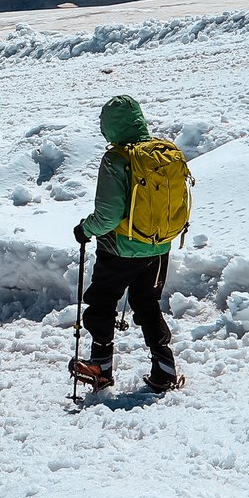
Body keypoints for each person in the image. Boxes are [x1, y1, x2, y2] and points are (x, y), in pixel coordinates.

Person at [70, 95, 184, 393]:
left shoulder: (118, 158)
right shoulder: (164, 152)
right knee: (147, 304)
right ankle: (165, 367)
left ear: (110, 126)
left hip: (120, 248)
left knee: (102, 303)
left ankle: (101, 367)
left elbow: (108, 215)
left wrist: (85, 229)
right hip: (159, 245)